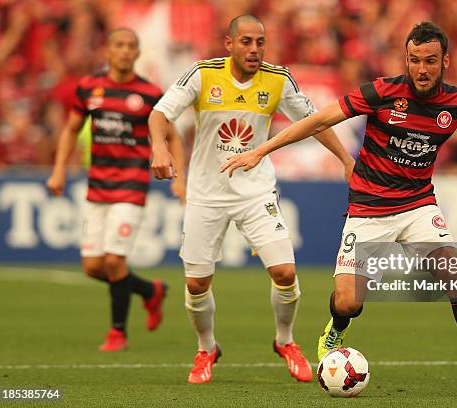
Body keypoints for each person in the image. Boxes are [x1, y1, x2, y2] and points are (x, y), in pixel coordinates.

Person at [222, 21, 457, 395]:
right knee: (348, 303)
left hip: (418, 206)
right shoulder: (382, 92)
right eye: (414, 60)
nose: (422, 69)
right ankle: (337, 328)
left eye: (430, 61)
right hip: (367, 209)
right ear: (406, 60)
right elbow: (319, 120)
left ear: (446, 60)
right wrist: (262, 149)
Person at [149, 15, 354, 384]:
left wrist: (345, 159)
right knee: (197, 284)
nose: (254, 49)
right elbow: (160, 112)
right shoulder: (202, 74)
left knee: (285, 273)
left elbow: (316, 121)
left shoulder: (278, 80)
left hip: (255, 191)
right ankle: (206, 347)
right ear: (229, 44)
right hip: (206, 195)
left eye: (260, 42)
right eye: (246, 41)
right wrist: (159, 148)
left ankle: (285, 341)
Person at [47, 28, 186, 352]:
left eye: (131, 46)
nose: (125, 51)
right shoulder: (88, 88)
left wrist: (180, 178)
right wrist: (57, 171)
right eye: (119, 45)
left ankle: (117, 333)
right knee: (93, 267)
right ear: (108, 51)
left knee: (113, 261)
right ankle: (150, 291)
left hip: (131, 186)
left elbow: (174, 137)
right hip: (96, 186)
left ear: (137, 53)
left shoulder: (150, 93)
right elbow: (70, 130)